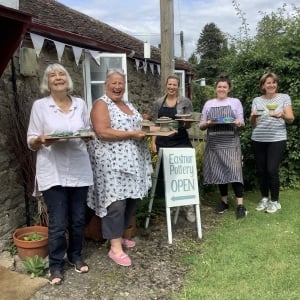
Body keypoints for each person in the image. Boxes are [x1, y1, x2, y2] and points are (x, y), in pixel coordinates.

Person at [27, 63, 93, 285]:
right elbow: (31, 140)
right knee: (58, 221)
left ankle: (75, 256)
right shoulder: (40, 106)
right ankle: (55, 265)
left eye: (61, 74)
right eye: (52, 75)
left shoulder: (80, 104)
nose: (58, 78)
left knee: (77, 219)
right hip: (52, 170)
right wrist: (40, 139)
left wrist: (86, 136)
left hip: (78, 168)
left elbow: (86, 130)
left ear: (68, 80)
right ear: (48, 82)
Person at [87, 69, 152, 267]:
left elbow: (140, 125)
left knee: (131, 199)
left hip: (132, 164)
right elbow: (103, 132)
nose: (117, 87)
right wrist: (132, 134)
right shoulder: (101, 104)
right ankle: (115, 247)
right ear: (106, 85)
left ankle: (119, 236)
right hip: (111, 165)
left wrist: (154, 130)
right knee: (115, 204)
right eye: (113, 83)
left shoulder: (127, 104)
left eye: (121, 83)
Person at [199, 76, 247, 219]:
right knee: (220, 173)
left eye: (224, 87)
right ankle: (224, 202)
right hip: (214, 143)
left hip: (231, 142)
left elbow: (242, 122)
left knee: (235, 172)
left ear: (229, 89)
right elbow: (201, 125)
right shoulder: (208, 104)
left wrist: (238, 123)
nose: (221, 89)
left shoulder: (235, 102)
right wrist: (207, 123)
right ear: (216, 88)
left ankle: (240, 205)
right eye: (219, 86)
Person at [151, 74, 196, 223]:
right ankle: (170, 205)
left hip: (181, 140)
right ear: (166, 85)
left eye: (174, 85)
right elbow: (155, 124)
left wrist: (187, 121)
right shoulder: (158, 102)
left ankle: (189, 207)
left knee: (185, 174)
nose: (171, 87)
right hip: (163, 141)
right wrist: (153, 141)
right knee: (167, 175)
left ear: (178, 87)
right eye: (169, 84)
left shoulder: (185, 102)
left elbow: (189, 124)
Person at [250, 72, 294, 213]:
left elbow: (291, 118)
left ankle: (275, 201)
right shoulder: (257, 100)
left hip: (277, 139)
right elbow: (253, 124)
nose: (271, 85)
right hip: (258, 138)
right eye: (268, 82)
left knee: (271, 170)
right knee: (261, 171)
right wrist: (253, 116)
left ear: (277, 84)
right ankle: (264, 198)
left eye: (274, 82)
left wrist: (282, 115)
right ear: (263, 85)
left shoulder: (284, 98)